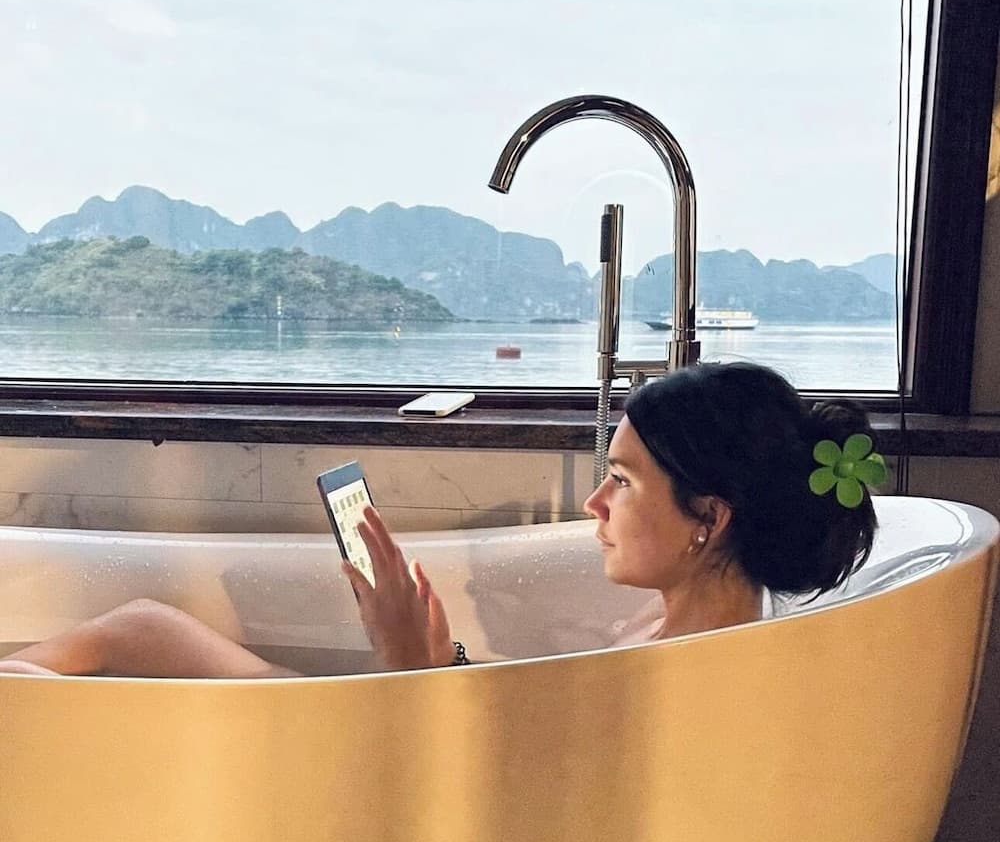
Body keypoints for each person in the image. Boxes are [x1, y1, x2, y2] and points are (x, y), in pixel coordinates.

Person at [0, 362, 882, 678]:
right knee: (139, 625)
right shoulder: (690, 625)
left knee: (124, 637)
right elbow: (524, 732)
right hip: (411, 722)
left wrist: (406, 665)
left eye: (621, 481)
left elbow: (482, 807)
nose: (593, 504)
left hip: (381, 763)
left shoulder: (684, 669)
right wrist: (437, 660)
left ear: (708, 517)